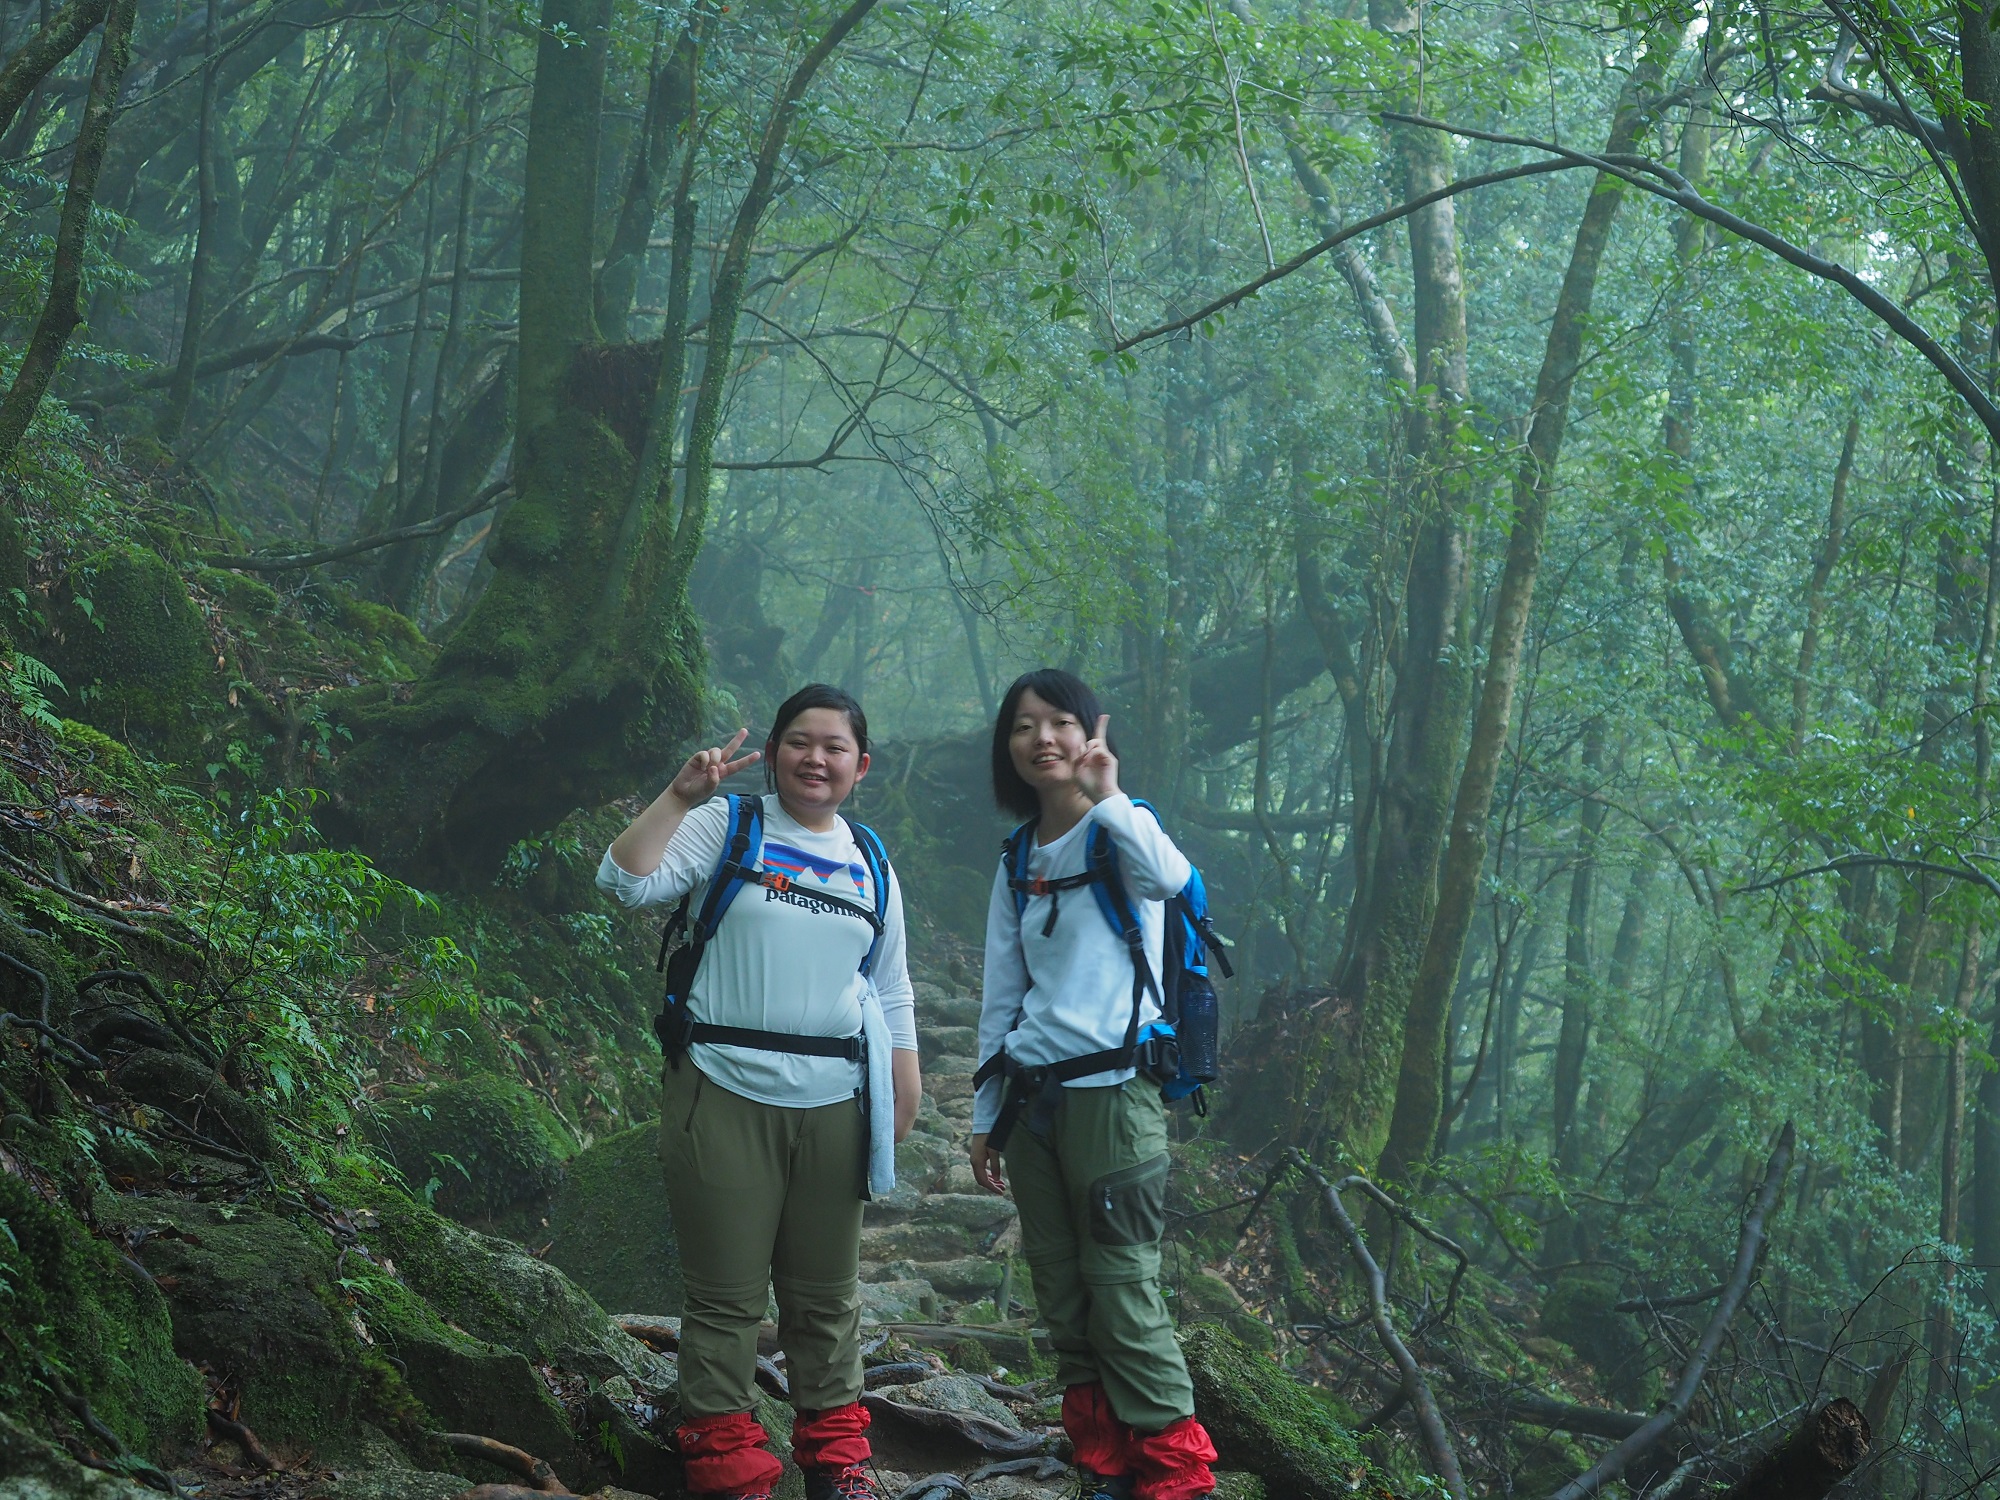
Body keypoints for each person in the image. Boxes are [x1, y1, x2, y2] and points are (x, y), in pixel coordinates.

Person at [598, 684, 922, 1500]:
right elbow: (626, 882)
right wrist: (679, 795)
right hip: (721, 1086)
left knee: (826, 1298)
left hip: (836, 1104)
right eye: (799, 742)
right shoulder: (728, 824)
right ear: (774, 751)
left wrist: (903, 1086)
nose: (816, 759)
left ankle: (839, 1463)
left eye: (835, 747)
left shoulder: (871, 860)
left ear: (861, 764)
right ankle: (727, 1464)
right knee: (725, 1297)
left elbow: (890, 989)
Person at [969, 669, 1218, 1500]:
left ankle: (1176, 1475)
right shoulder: (1015, 857)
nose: (1042, 739)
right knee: (1061, 1286)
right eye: (1023, 727)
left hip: (1117, 1095)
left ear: (1088, 734)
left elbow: (1171, 882)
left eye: (1059, 723)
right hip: (1034, 1101)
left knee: (1122, 1290)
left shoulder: (1124, 829)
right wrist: (986, 1112)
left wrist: (1107, 793)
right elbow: (1002, 993)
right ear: (1008, 748)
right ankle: (1103, 1460)